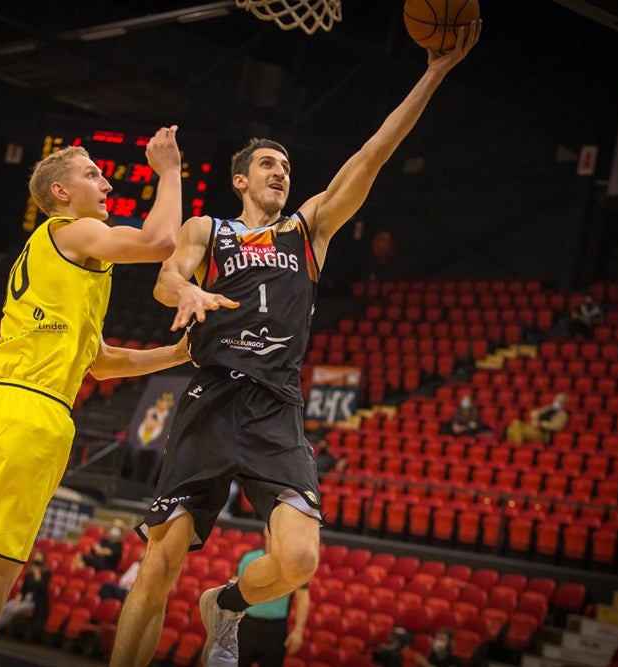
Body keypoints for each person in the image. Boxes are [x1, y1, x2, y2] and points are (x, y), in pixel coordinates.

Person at [110, 21, 481, 667]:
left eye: (286, 166)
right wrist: (185, 291)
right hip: (212, 397)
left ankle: (225, 604)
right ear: (240, 181)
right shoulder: (209, 226)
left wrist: (435, 72)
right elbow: (168, 276)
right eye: (268, 166)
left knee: (300, 558)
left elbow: (372, 155)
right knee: (159, 563)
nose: (281, 173)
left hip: (277, 406)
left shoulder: (307, 230)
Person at [0, 124, 193, 667]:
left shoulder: (59, 256)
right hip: (29, 414)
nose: (105, 182)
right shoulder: (72, 231)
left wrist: (175, 356)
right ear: (61, 194)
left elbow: (97, 362)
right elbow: (159, 241)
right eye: (92, 173)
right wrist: (169, 172)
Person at [235, 526, 309, 667]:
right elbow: (234, 589)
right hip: (246, 625)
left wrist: (298, 631)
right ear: (265, 531)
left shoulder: (296, 563)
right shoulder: (249, 557)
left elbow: (303, 598)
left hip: (275, 631)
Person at [0, 549, 51, 637]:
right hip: (24, 598)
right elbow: (23, 589)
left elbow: (42, 589)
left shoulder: (46, 573)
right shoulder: (29, 573)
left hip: (35, 602)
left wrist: (37, 576)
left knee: (12, 610)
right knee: (6, 607)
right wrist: (19, 596)